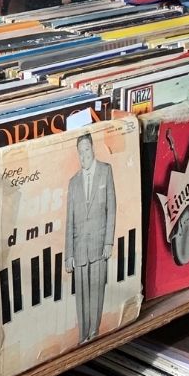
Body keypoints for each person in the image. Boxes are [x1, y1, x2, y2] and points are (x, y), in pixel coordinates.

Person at [65, 133, 116, 344]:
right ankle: (83, 336)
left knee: (96, 291)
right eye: (80, 152)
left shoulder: (105, 171)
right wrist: (68, 255)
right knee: (81, 296)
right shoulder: (73, 182)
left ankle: (94, 333)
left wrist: (108, 242)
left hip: (98, 243)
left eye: (86, 149)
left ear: (93, 148)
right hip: (79, 248)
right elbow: (69, 220)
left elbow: (112, 208)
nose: (83, 155)